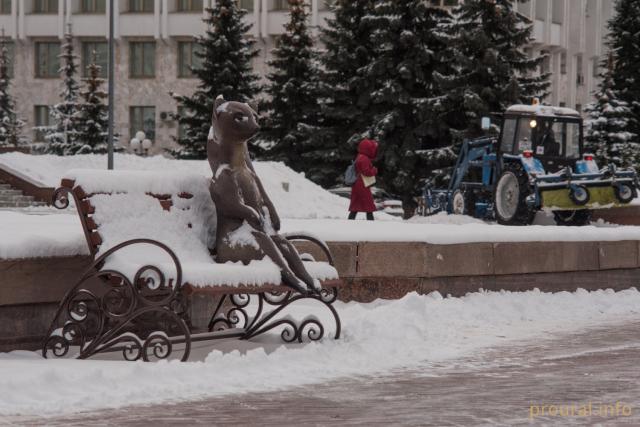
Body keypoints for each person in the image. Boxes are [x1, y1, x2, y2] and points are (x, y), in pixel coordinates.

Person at [349, 139, 379, 220]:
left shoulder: (359, 156)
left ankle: (350, 221)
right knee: (368, 203)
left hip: (357, 183)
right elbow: (367, 172)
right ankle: (370, 221)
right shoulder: (364, 158)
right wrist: (374, 170)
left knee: (356, 204)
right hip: (362, 183)